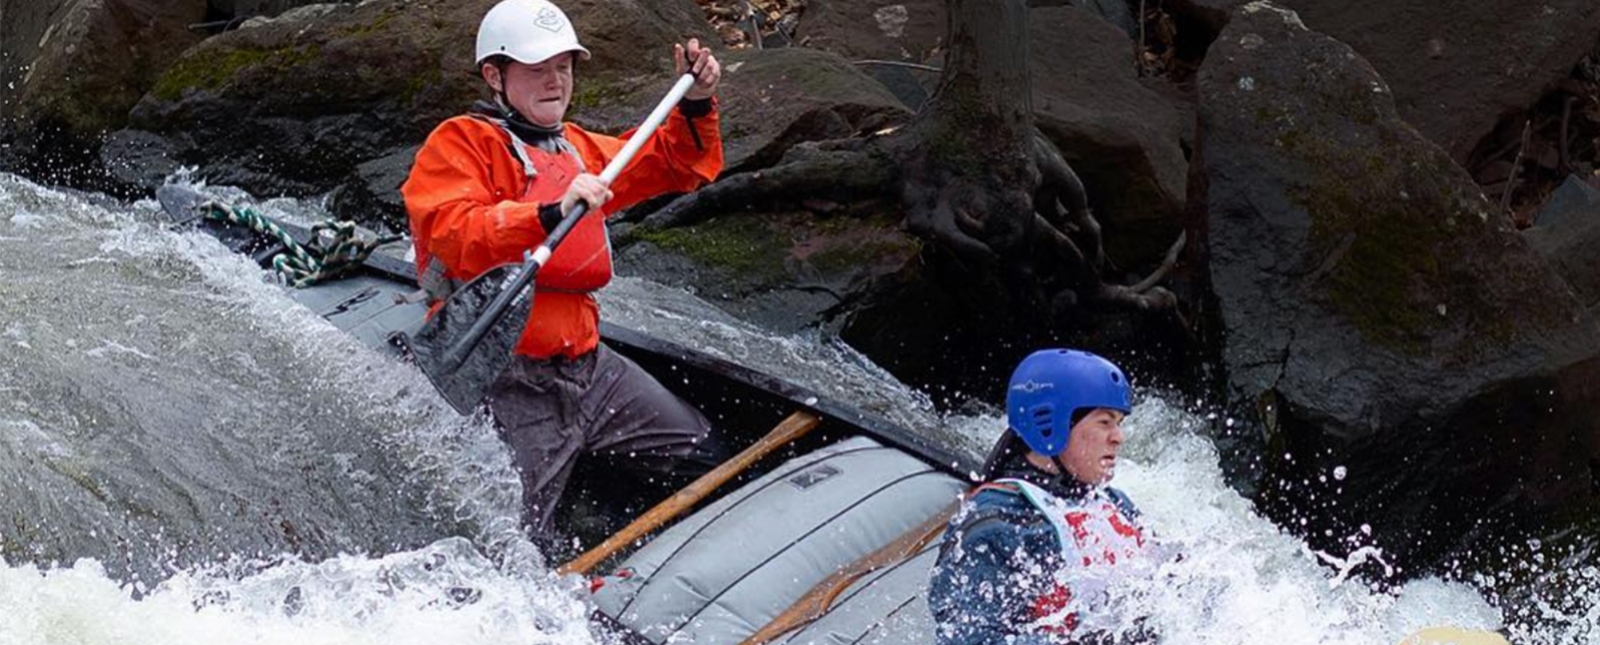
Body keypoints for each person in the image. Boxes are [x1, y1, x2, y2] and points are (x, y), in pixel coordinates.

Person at [401, 0, 727, 546]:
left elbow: (676, 163)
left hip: (588, 368)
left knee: (704, 454)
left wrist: (696, 102)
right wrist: (547, 213)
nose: (555, 81)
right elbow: (454, 232)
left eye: (564, 67)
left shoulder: (576, 148)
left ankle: (625, 537)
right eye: (536, 69)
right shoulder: (460, 142)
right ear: (495, 76)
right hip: (509, 378)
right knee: (518, 541)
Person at [929, 349, 1156, 645]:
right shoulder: (993, 526)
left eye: (1119, 423)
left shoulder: (1115, 504)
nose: (1118, 437)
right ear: (1052, 425)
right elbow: (968, 638)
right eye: (1104, 422)